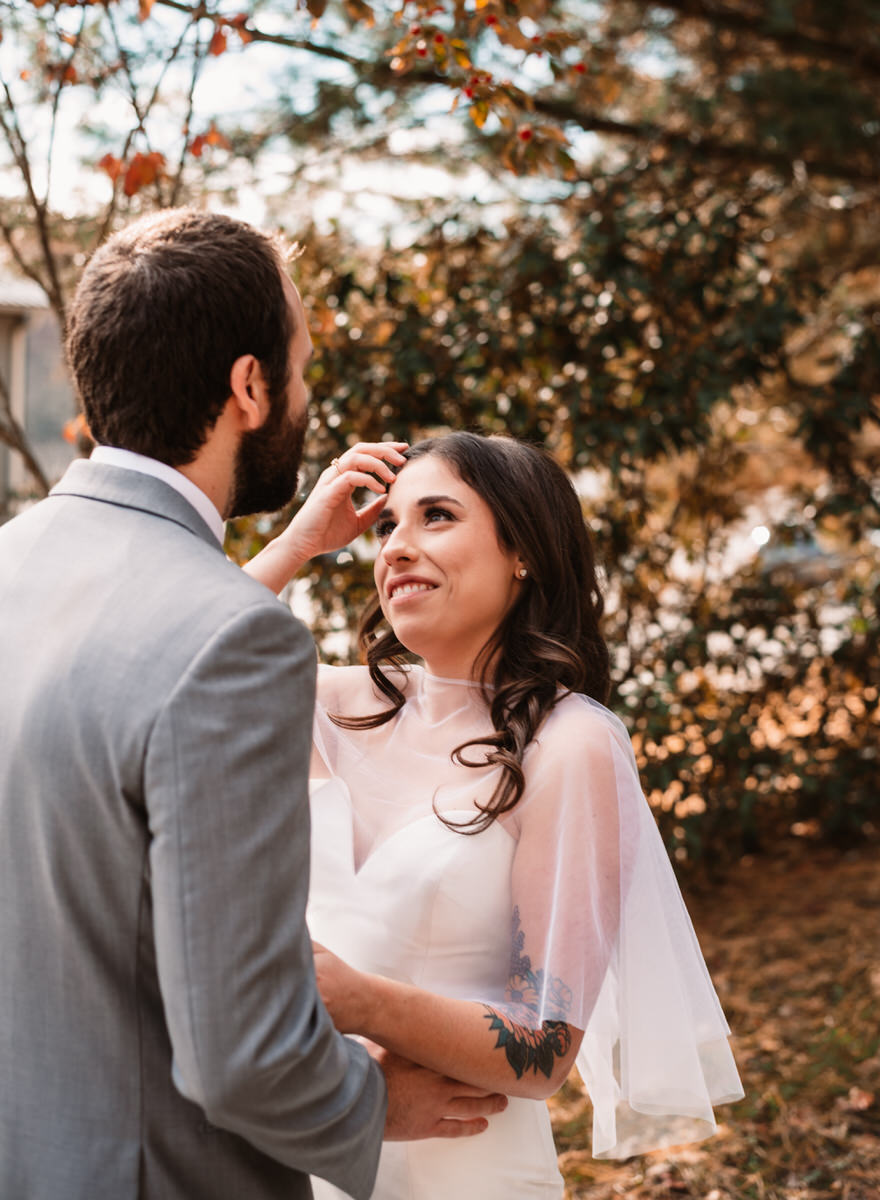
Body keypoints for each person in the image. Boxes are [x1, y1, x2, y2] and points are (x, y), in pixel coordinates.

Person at [0, 211, 505, 1200]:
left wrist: (284, 554)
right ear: (248, 387)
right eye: (303, 369)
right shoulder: (234, 641)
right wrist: (366, 1107)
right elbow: (244, 1052)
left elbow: (139, 661)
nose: (307, 399)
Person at [245, 431, 744, 1199]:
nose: (397, 548)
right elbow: (168, 677)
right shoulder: (329, 706)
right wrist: (295, 544)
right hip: (309, 1157)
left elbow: (545, 1052)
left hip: (466, 1169)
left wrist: (359, 1000)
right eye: (386, 527)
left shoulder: (567, 744)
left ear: (524, 553)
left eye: (436, 516)